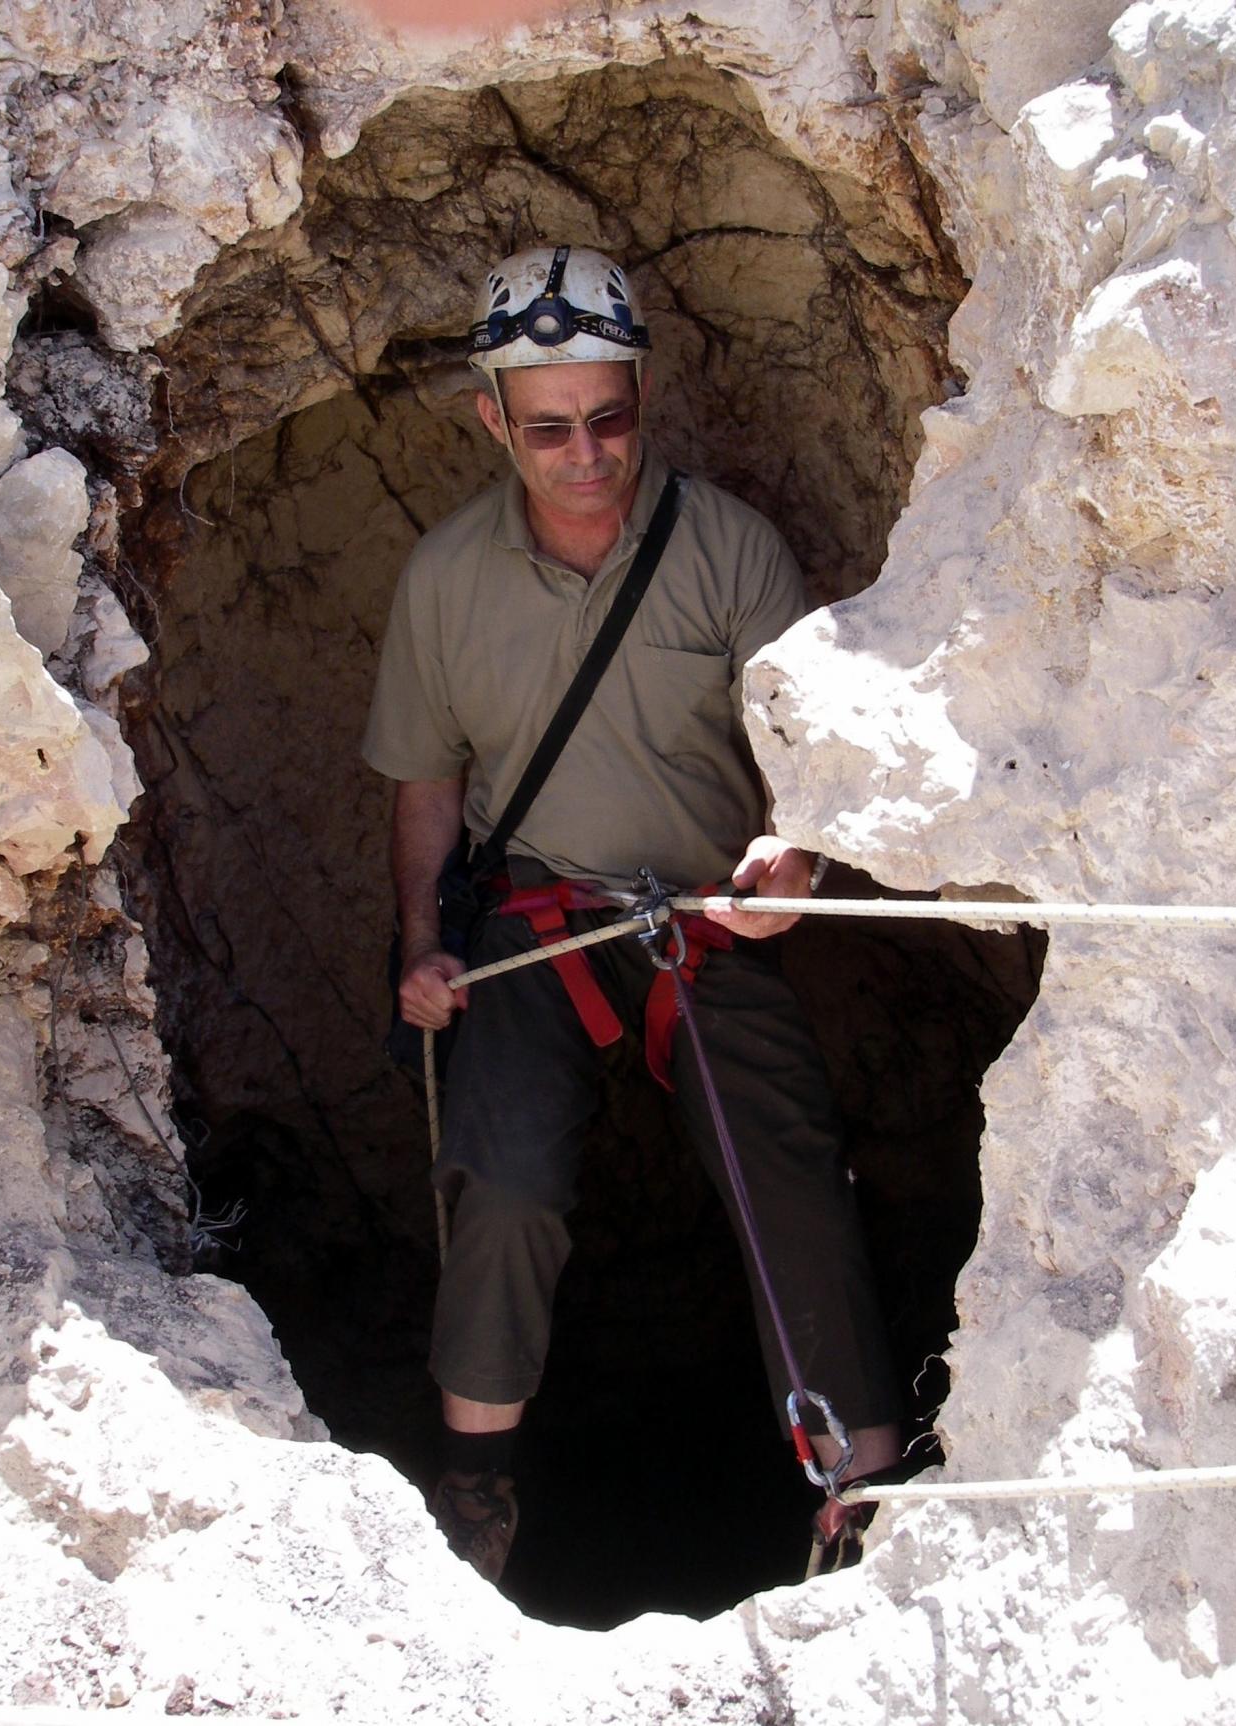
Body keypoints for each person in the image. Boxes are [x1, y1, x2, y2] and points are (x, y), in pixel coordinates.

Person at [362, 244, 899, 1583]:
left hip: (703, 917)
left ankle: (870, 1495)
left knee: (785, 1154)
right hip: (536, 918)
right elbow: (427, 785)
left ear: (642, 396)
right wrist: (425, 944)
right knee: (505, 1173)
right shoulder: (445, 579)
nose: (585, 452)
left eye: (610, 418)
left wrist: (794, 866)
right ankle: (477, 1486)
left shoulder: (725, 549)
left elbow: (814, 761)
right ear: (493, 418)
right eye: (548, 427)